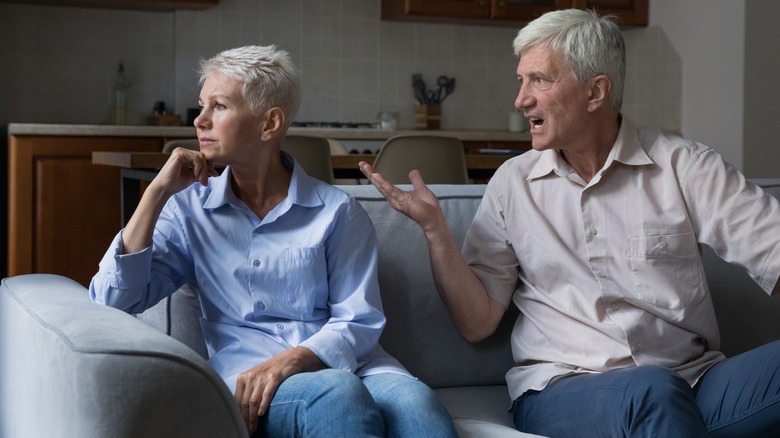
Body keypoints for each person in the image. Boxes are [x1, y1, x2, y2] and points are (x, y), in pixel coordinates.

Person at [359, 9, 780, 438]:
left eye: (539, 80)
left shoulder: (684, 166)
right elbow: (477, 322)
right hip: (564, 389)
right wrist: (435, 230)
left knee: (660, 391)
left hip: (692, 380)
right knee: (653, 392)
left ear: (596, 91)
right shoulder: (512, 184)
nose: (521, 99)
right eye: (521, 81)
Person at [90, 45, 456, 438]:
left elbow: (358, 320)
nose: (200, 120)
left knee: (419, 408)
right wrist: (156, 193)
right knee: (336, 394)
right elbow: (112, 302)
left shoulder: (337, 212)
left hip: (355, 366)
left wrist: (295, 359)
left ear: (270, 123)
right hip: (255, 378)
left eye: (219, 106)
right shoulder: (189, 211)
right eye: (201, 105)